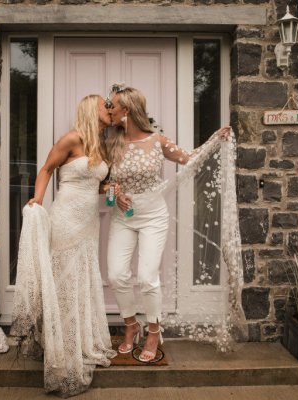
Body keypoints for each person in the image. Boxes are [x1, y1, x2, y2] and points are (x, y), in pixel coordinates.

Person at [104, 85, 231, 363]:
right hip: (123, 218)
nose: (109, 110)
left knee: (148, 277)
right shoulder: (111, 142)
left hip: (153, 217)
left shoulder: (158, 141)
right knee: (116, 274)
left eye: (112, 106)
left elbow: (188, 158)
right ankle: (130, 325)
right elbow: (106, 182)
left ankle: (152, 330)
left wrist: (213, 141)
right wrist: (116, 196)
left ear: (127, 109)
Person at [16, 94, 116, 397]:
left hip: (88, 223)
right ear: (91, 110)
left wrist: (109, 188)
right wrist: (38, 199)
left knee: (80, 281)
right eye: (104, 105)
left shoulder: (100, 143)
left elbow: (92, 184)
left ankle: (79, 340)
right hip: (65, 219)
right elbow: (47, 168)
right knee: (63, 282)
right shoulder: (71, 139)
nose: (109, 109)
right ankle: (60, 351)